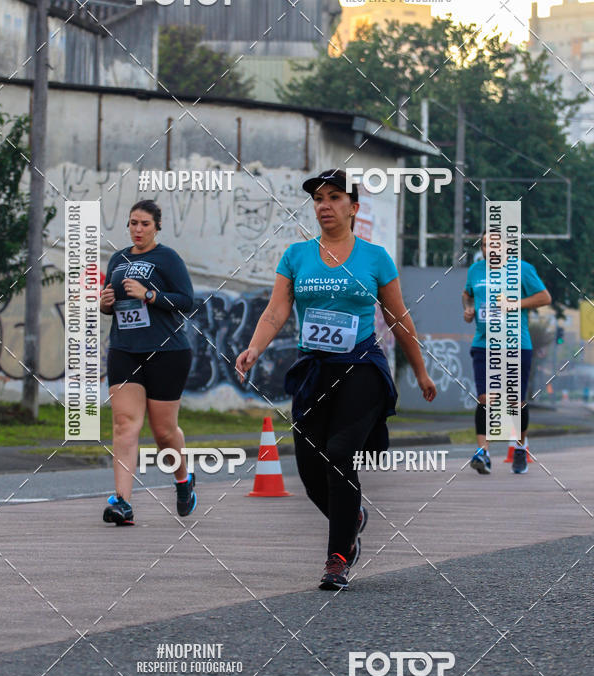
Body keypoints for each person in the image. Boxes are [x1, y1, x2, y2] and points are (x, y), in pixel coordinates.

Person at [235, 169, 436, 591]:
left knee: (340, 452)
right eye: (319, 199)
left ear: (354, 207)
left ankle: (337, 558)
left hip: (361, 365)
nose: (324, 205)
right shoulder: (297, 255)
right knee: (310, 468)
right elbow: (276, 311)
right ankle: (352, 520)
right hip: (314, 369)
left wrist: (419, 370)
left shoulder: (375, 257)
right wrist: (254, 348)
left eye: (334, 197)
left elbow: (399, 319)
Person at [99, 200, 196, 524]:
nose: (137, 229)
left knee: (164, 432)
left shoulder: (167, 258)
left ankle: (183, 481)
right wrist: (106, 302)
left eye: (144, 224)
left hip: (167, 352)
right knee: (125, 424)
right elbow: (108, 304)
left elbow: (187, 301)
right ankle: (122, 503)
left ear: (156, 227)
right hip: (125, 349)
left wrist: (149, 294)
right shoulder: (118, 258)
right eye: (133, 223)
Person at [462, 232, 551, 475]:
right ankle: (483, 454)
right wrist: (468, 310)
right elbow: (467, 294)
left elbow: (544, 297)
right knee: (485, 398)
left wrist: (515, 303)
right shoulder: (475, 270)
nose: (488, 249)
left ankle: (520, 448)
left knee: (514, 402)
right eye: (483, 245)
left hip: (515, 343)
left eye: (493, 244)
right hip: (483, 343)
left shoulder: (522, 269)